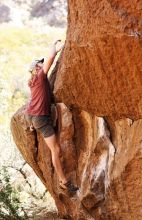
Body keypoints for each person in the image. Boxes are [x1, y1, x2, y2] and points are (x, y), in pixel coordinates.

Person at [24, 40, 78, 194]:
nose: (42, 64)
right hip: (41, 118)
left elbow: (52, 58)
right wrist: (54, 45)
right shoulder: (40, 76)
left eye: (42, 63)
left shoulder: (37, 79)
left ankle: (63, 180)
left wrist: (62, 46)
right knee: (56, 150)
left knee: (56, 149)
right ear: (36, 68)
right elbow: (51, 57)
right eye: (39, 64)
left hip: (39, 116)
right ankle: (64, 182)